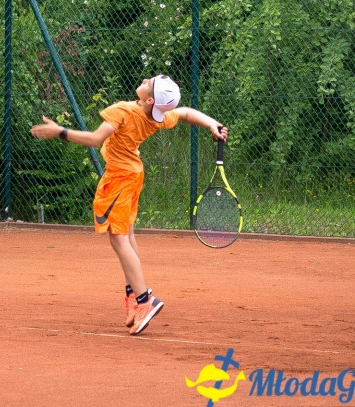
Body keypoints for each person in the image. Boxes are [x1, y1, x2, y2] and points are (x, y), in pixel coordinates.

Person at [30, 74, 227, 335]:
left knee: (118, 239)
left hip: (119, 178)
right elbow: (186, 113)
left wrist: (59, 132)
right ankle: (134, 297)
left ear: (149, 99)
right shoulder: (156, 117)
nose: (145, 79)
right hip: (133, 175)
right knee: (128, 235)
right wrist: (213, 124)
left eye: (149, 83)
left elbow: (94, 140)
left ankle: (145, 300)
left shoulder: (122, 111)